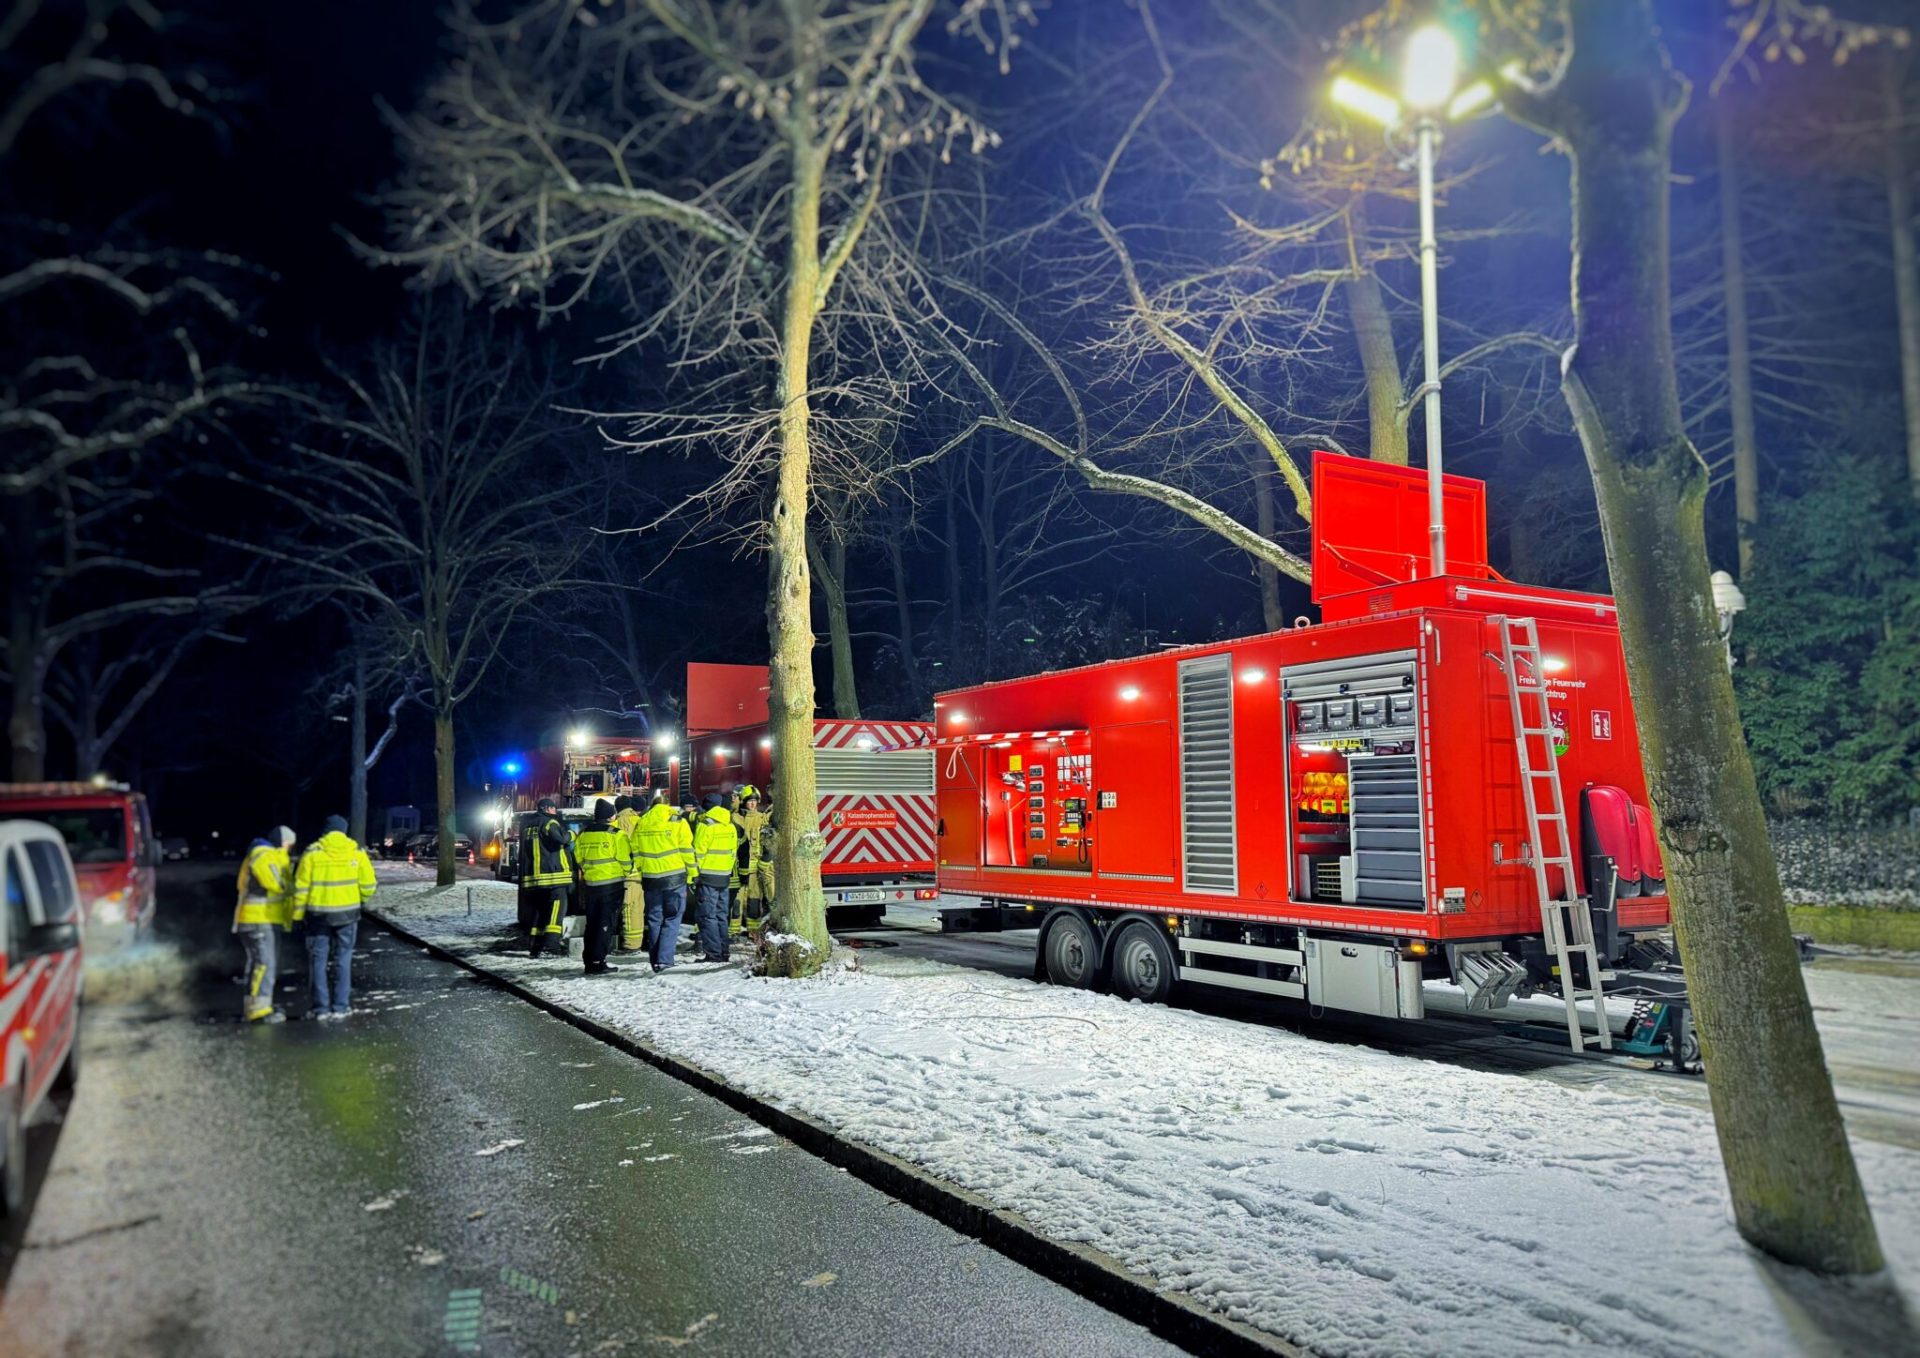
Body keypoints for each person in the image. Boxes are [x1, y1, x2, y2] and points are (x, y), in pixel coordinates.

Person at [292, 815, 377, 1021]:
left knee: (317, 961)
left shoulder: (312, 853)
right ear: (344, 831)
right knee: (343, 959)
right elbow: (369, 885)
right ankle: (340, 1006)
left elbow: (301, 888)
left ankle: (320, 1008)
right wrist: (359, 900)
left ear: (325, 831)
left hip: (318, 917)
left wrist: (297, 916)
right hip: (348, 915)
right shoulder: (356, 852)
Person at [234, 826, 295, 1023]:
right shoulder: (263, 855)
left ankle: (257, 1005)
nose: (289, 848)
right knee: (264, 964)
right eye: (288, 844)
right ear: (281, 842)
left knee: (259, 964)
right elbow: (277, 885)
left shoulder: (264, 854)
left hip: (261, 919)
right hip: (259, 920)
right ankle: (258, 1012)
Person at [632, 790, 692, 971]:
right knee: (672, 918)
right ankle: (665, 960)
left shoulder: (641, 823)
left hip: (651, 879)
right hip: (674, 878)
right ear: (667, 806)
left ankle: (655, 960)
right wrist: (693, 873)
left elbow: (636, 851)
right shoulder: (677, 821)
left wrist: (643, 871)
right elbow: (686, 849)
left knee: (654, 919)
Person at [572, 799, 631, 975]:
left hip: (591, 885)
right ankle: (598, 961)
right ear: (610, 816)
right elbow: (626, 860)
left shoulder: (584, 834)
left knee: (592, 923)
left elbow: (578, 858)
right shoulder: (616, 834)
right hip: (611, 885)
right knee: (605, 924)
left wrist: (590, 871)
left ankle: (589, 960)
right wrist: (626, 872)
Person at [520, 796, 576, 958]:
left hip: (534, 879)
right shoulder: (550, 823)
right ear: (547, 809)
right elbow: (561, 838)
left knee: (539, 913)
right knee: (555, 913)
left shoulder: (527, 826)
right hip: (554, 877)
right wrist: (571, 834)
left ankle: (535, 946)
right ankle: (551, 947)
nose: (555, 811)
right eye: (553, 808)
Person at [691, 792, 738, 963]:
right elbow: (733, 853)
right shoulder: (730, 825)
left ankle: (713, 953)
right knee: (721, 915)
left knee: (707, 916)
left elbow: (698, 853)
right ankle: (724, 951)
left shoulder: (705, 825)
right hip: (724, 876)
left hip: (707, 877)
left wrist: (695, 876)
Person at [734, 788, 776, 933]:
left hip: (755, 868)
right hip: (738, 868)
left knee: (754, 901)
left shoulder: (762, 818)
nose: (752, 805)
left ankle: (753, 932)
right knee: (736, 901)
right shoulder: (735, 818)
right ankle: (734, 932)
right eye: (749, 802)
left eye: (754, 801)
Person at [612, 795, 645, 951]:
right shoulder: (640, 822)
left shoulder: (614, 824)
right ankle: (636, 942)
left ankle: (631, 945)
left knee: (630, 910)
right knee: (636, 908)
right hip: (641, 872)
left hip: (621, 874)